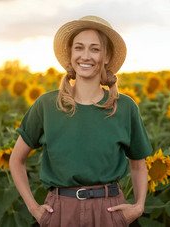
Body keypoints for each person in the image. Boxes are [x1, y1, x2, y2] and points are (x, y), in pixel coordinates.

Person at [9, 15, 152, 227]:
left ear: (106, 56)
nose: (86, 56)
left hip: (110, 212)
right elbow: (16, 160)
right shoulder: (46, 105)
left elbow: (138, 165)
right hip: (61, 212)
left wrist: (138, 206)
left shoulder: (124, 107)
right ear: (70, 53)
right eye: (79, 48)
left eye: (95, 49)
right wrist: (34, 209)